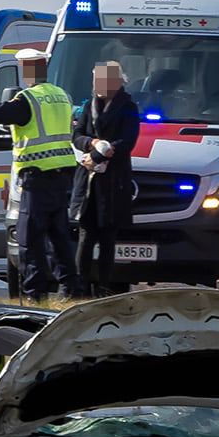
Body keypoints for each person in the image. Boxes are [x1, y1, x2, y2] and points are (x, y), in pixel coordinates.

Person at [0, 48, 78, 301]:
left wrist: (13, 98)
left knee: (30, 239)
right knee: (59, 237)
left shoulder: (27, 98)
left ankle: (34, 293)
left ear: (27, 71)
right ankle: (71, 289)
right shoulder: (62, 95)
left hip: (37, 178)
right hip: (62, 176)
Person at [70, 62, 140, 296]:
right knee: (85, 235)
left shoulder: (128, 107)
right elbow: (77, 135)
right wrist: (91, 145)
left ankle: (104, 287)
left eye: (103, 80)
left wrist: (101, 154)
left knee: (108, 237)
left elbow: (128, 141)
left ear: (117, 82)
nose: (97, 84)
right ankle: (81, 287)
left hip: (113, 180)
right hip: (89, 180)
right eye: (95, 80)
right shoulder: (89, 106)